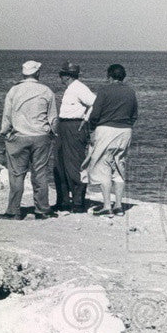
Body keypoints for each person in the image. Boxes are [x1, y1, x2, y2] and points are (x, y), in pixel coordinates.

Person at [0, 60, 58, 220]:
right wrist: (53, 134)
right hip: (41, 137)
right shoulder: (46, 91)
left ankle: (13, 211)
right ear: (37, 73)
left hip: (19, 137)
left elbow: (7, 116)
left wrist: (4, 132)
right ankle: (42, 210)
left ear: (23, 74)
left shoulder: (14, 91)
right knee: (40, 174)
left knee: (17, 175)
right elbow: (53, 119)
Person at [83, 63, 138, 217]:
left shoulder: (104, 90)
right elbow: (134, 115)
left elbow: (94, 115)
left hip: (106, 130)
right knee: (119, 166)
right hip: (125, 130)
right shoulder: (130, 92)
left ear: (109, 76)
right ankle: (119, 206)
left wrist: (92, 129)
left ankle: (107, 206)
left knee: (103, 166)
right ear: (123, 76)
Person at [53, 61, 96, 213]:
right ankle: (63, 201)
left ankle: (78, 202)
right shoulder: (72, 88)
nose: (60, 77)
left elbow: (95, 103)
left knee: (74, 164)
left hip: (74, 126)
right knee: (59, 164)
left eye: (62, 74)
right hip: (64, 125)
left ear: (67, 76)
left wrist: (85, 120)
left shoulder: (79, 88)